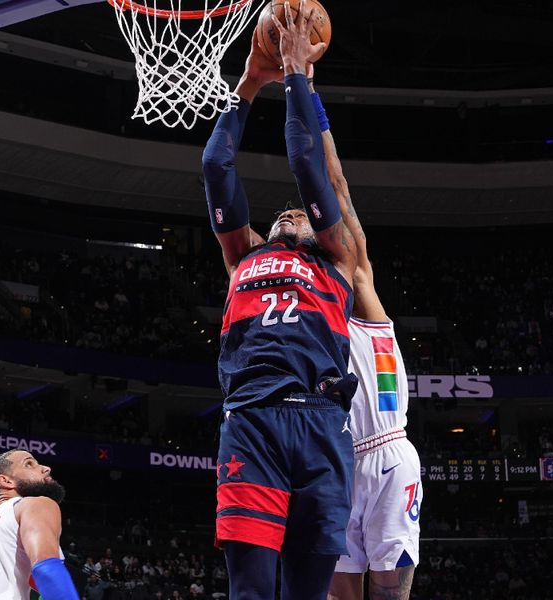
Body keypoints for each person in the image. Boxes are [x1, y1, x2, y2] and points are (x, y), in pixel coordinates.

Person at [202, 2, 358, 599]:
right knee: (251, 592)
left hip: (321, 423)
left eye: (299, 210)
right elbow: (217, 166)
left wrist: (297, 77)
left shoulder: (335, 257)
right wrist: (246, 87)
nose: (291, 210)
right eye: (282, 212)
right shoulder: (242, 255)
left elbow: (305, 163)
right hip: (253, 422)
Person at [317, 71, 422, 600]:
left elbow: (337, 186)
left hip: (386, 454)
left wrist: (308, 98)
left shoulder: (361, 292)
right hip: (334, 463)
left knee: (390, 592)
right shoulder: (306, 313)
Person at [0, 450, 78, 599]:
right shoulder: (33, 504)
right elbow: (47, 568)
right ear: (6, 481)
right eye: (29, 464)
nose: (46, 468)